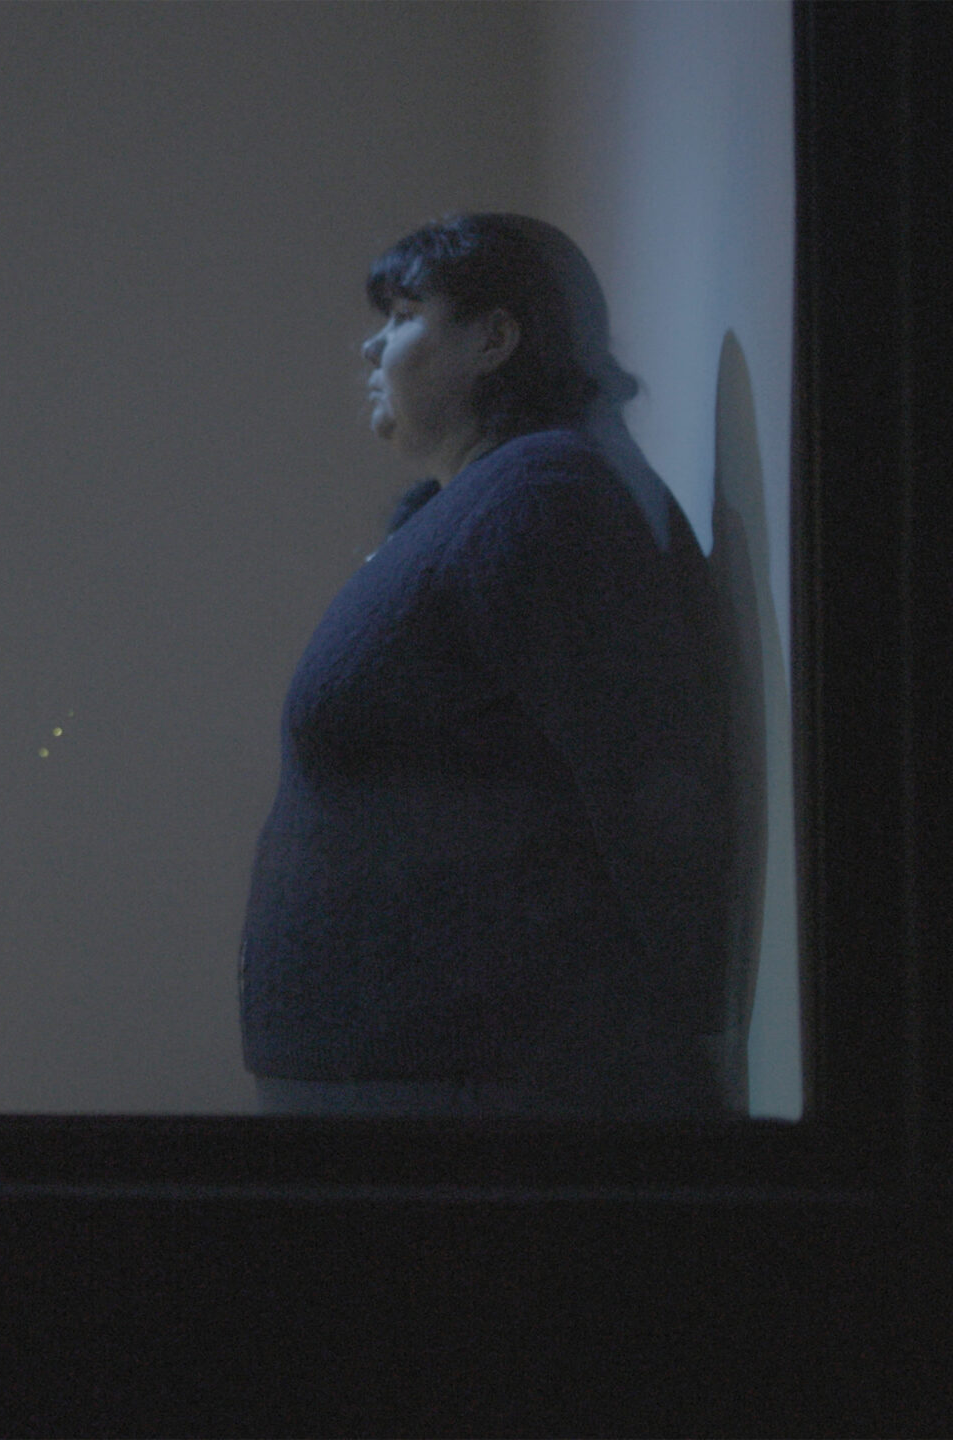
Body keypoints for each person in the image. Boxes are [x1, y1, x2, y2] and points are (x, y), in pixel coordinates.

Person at [239, 214, 747, 1119]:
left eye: (404, 315)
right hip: (420, 1083)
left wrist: (690, 1074)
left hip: (473, 1093)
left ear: (495, 339)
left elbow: (647, 788)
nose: (371, 346)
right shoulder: (479, 508)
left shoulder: (542, 499)